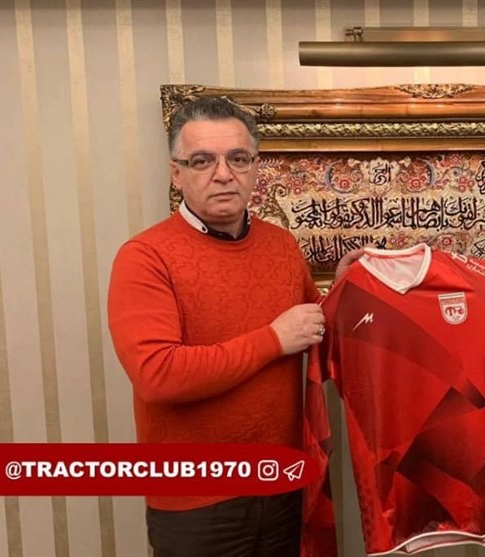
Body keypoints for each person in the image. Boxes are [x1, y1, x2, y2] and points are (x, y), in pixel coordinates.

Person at [107, 97, 359, 557]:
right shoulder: (144, 257)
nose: (223, 174)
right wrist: (273, 340)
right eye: (203, 160)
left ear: (255, 167)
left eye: (238, 158)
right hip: (196, 500)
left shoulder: (281, 245)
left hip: (282, 481)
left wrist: (344, 293)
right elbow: (158, 375)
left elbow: (313, 333)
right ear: (176, 173)